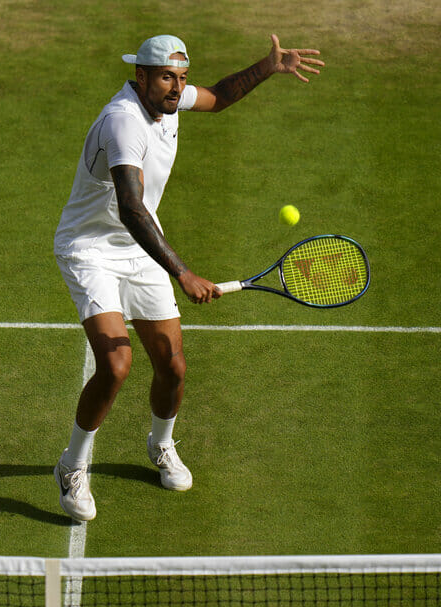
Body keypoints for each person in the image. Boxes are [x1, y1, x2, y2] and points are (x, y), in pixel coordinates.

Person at [53, 34, 324, 521]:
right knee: (116, 365)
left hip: (140, 248)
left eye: (181, 78)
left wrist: (269, 67)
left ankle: (161, 447)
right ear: (141, 76)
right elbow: (133, 210)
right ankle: (72, 466)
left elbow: (218, 97)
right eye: (165, 78)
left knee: (172, 365)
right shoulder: (123, 122)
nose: (177, 88)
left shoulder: (169, 103)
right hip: (91, 249)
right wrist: (183, 273)